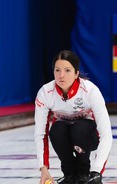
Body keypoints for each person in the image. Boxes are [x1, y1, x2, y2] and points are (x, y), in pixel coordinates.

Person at [34, 50, 113, 184]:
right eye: (57, 70)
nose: (61, 75)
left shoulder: (91, 91)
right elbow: (40, 134)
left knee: (80, 127)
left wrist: (97, 171)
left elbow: (106, 134)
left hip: (89, 137)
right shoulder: (45, 93)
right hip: (64, 137)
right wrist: (43, 168)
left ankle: (84, 174)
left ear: (76, 73)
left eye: (67, 70)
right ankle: (70, 174)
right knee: (57, 129)